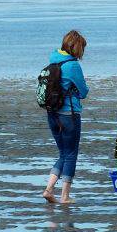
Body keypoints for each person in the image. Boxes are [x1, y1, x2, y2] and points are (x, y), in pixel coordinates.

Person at [42, 30, 89, 204]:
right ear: (76, 47)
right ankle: (65, 196)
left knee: (63, 153)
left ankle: (48, 190)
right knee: (71, 155)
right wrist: (76, 90)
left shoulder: (53, 61)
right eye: (81, 48)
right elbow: (83, 92)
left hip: (52, 114)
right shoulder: (73, 66)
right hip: (69, 115)